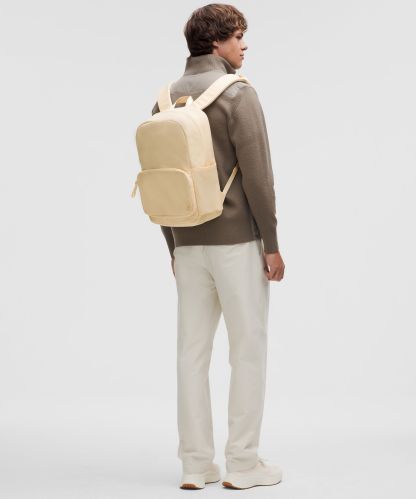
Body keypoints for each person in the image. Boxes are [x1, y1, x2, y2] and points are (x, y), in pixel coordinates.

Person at [151, 3, 285, 490]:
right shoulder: (238, 94)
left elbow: (160, 182)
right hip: (236, 243)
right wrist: (272, 244)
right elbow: (259, 179)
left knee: (191, 354)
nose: (244, 45)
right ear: (215, 42)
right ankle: (243, 463)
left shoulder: (163, 101)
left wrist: (173, 246)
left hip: (185, 245)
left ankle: (195, 464)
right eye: (237, 36)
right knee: (247, 349)